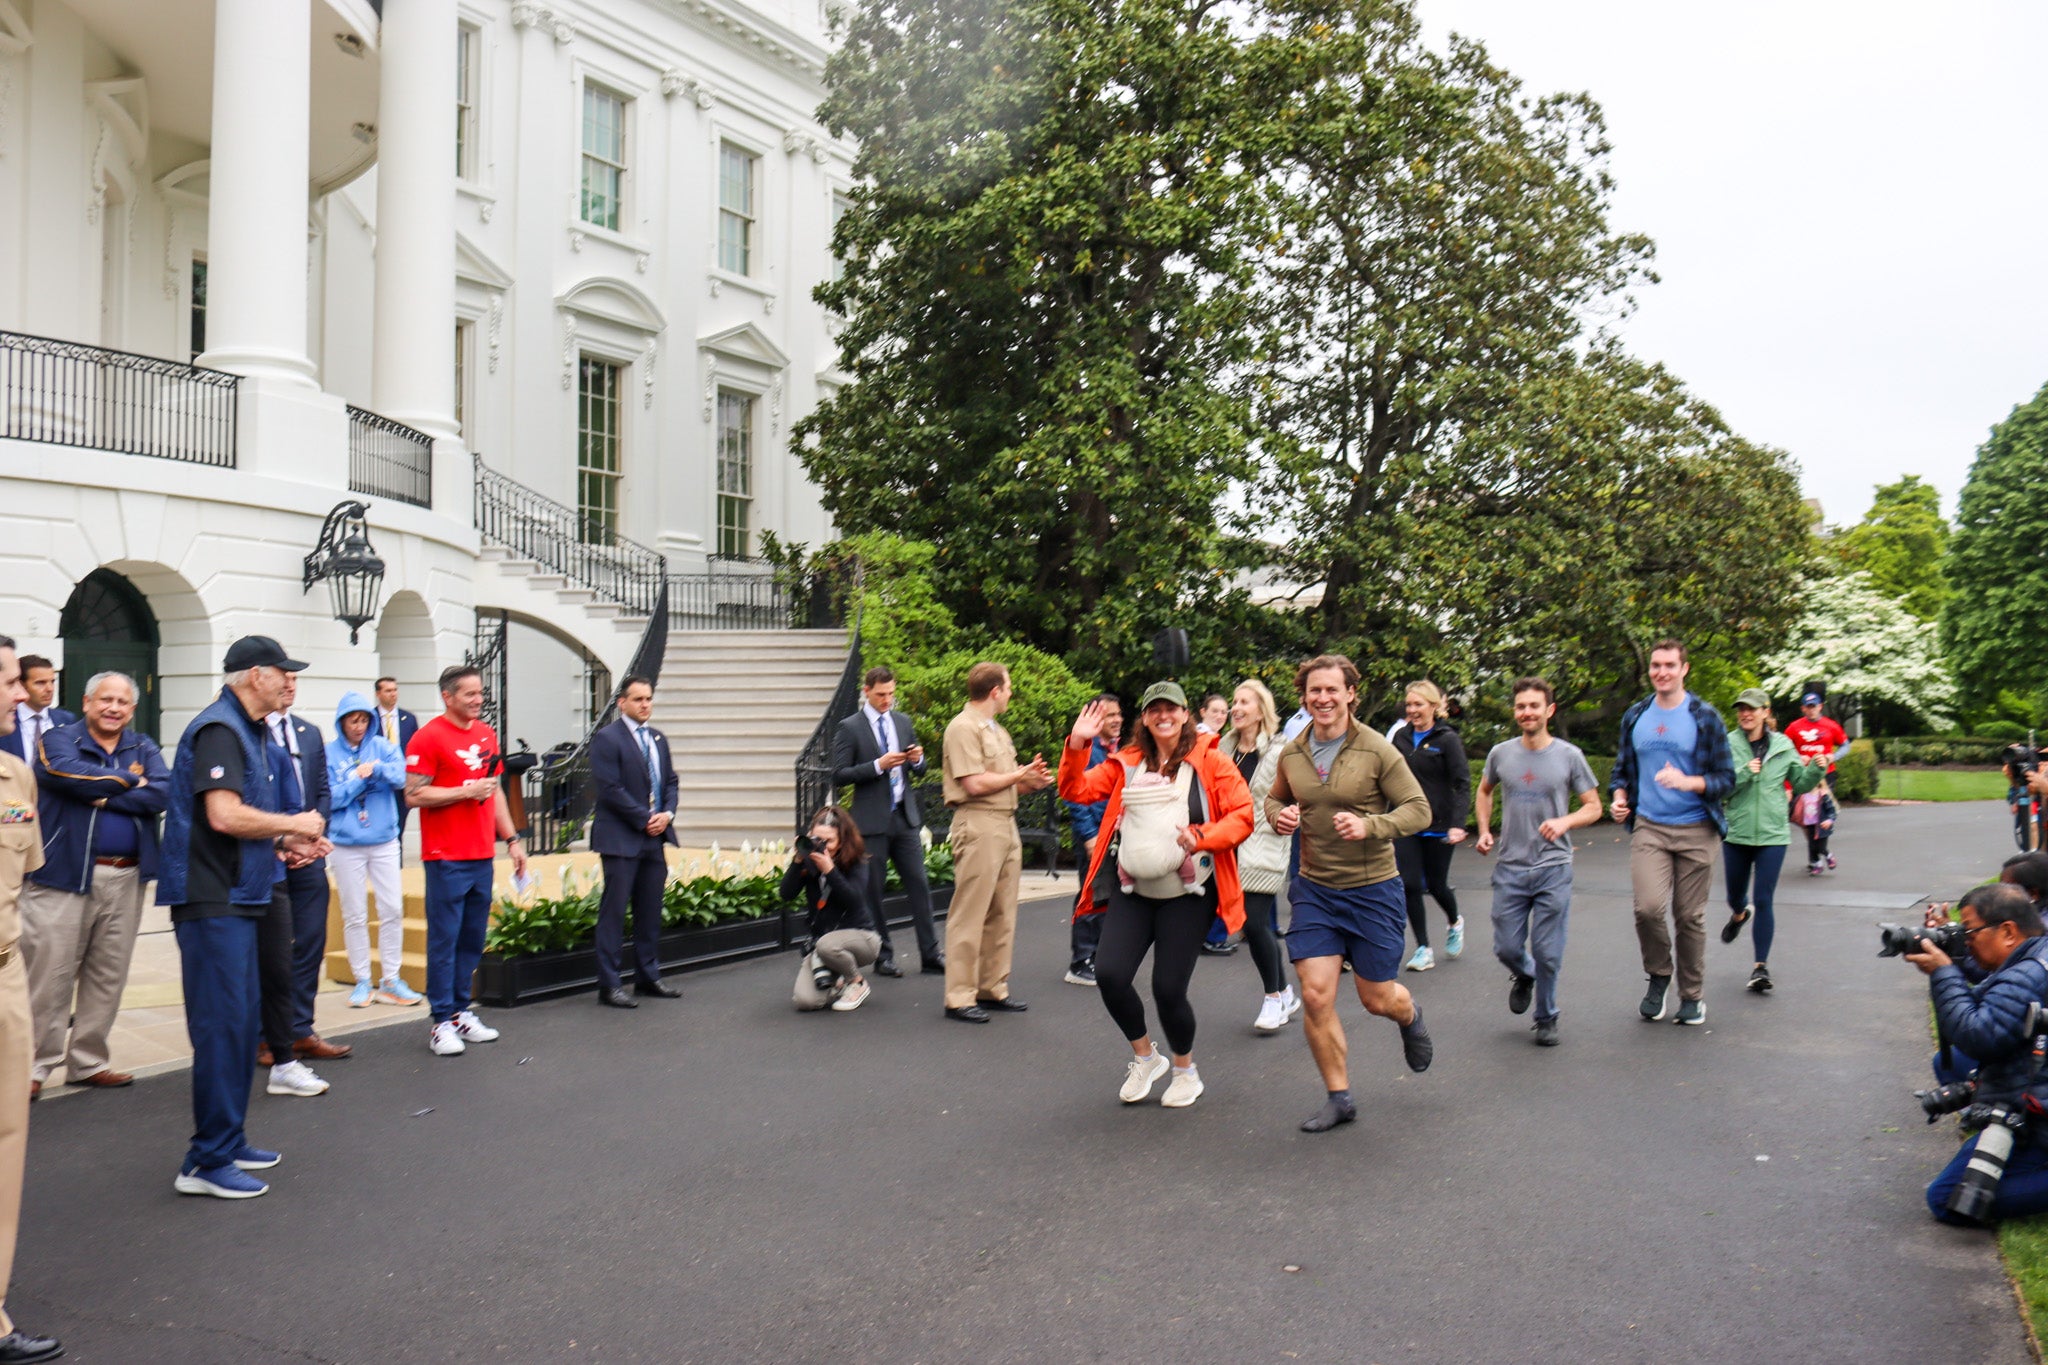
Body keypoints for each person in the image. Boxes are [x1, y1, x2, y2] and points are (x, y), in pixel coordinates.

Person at [157, 635, 329, 1199]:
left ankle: (226, 1141)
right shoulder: (220, 729)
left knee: (240, 1025)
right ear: (255, 675)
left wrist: (284, 839)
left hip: (243, 895)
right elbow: (225, 816)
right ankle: (205, 1161)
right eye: (284, 672)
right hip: (213, 901)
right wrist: (296, 824)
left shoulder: (248, 730)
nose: (290, 681)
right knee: (222, 1029)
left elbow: (239, 823)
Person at [1061, 683, 1253, 1108]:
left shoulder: (1213, 761)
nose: (1163, 715)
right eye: (1154, 710)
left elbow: (1243, 815)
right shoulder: (1126, 761)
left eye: (1171, 709)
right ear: (1144, 719)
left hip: (1188, 892)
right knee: (1109, 974)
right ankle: (1145, 1057)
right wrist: (1077, 744)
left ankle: (1186, 1069)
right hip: (1135, 888)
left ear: (1185, 714)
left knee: (1167, 988)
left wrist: (1202, 835)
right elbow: (1077, 790)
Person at [1266, 654, 1434, 1133]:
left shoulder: (1377, 749)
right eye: (1314, 691)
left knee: (1377, 999)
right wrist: (1276, 816)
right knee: (1316, 995)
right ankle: (1339, 1097)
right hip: (1316, 889)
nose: (1323, 699)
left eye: (1332, 690)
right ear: (1304, 696)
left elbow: (1419, 809)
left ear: (1350, 694)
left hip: (1372, 890)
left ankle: (1410, 1014)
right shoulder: (1293, 752)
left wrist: (1370, 825)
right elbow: (1276, 796)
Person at [20, 670, 167, 1095]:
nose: (113, 708)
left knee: (108, 974)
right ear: (86, 702)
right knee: (49, 974)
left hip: (128, 875)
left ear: (132, 709)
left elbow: (163, 792)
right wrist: (128, 780)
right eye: (105, 700)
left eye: (122, 702)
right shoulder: (58, 739)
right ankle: (32, 1065)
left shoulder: (143, 746)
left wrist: (100, 792)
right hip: (63, 874)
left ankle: (88, 1061)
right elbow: (62, 774)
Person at [1608, 639, 1735, 1027]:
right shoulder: (1636, 715)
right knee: (1647, 908)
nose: (1661, 671)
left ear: (1684, 669)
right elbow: (1621, 771)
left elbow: (1726, 779)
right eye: (1655, 665)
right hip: (1650, 826)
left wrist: (1688, 781)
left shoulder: (1705, 716)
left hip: (1698, 829)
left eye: (1669, 665)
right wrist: (1618, 798)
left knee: (1688, 916)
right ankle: (1659, 974)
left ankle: (1692, 996)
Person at [1904, 884, 2048, 1225]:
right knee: (1947, 1063)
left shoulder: (2030, 973)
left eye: (1970, 932)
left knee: (1947, 1200)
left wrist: (1942, 973)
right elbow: (1996, 987)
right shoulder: (2035, 956)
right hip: (2031, 1090)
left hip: (2037, 1116)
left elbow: (1977, 1036)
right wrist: (1951, 953)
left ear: (2008, 931)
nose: (1967, 939)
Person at [1472, 677, 1603, 1046]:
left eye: (1533, 706)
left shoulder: (1569, 755)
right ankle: (1524, 974)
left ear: (1549, 710)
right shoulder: (1501, 753)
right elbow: (1484, 791)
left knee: (1548, 951)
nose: (1526, 712)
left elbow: (1594, 806)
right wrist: (1484, 829)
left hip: (1553, 866)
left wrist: (1565, 820)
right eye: (1520, 706)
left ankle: (1546, 1016)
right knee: (1506, 948)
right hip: (1510, 866)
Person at [406, 664, 528, 1056]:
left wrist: (512, 838)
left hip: (480, 854)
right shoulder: (427, 738)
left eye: (480, 694)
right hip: (445, 857)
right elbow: (414, 795)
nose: (478, 700)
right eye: (470, 694)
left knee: (473, 938)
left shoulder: (486, 734)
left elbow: (492, 792)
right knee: (445, 939)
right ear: (448, 696)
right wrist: (463, 791)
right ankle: (440, 1021)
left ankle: (460, 1011)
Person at [0, 637, 66, 1361]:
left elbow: (24, 878)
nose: (22, 694)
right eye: (13, 680)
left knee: (6, 1140)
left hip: (5, 974)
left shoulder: (16, 774)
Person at [939, 662, 1052, 1023]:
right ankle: (959, 996)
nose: (1011, 693)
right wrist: (1018, 774)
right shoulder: (962, 728)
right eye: (1009, 687)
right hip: (978, 823)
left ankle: (991, 988)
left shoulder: (997, 731)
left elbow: (1003, 781)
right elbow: (972, 784)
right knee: (970, 913)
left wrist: (1029, 781)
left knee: (1002, 912)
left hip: (1005, 823)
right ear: (995, 691)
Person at [830, 666, 941, 978]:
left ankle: (931, 954)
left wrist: (917, 759)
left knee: (919, 884)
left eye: (891, 693)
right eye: (881, 694)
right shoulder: (849, 727)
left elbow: (919, 768)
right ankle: (883, 956)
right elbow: (839, 775)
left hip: (904, 818)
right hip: (870, 822)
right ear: (866, 691)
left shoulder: (902, 721)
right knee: (873, 893)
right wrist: (878, 765)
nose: (887, 700)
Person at [267, 674, 350, 1084]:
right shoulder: (250, 732)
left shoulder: (308, 731)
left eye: (294, 679)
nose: (289, 685)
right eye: (282, 678)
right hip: (268, 854)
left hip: (310, 857)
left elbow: (322, 790)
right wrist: (284, 841)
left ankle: (300, 1029)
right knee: (272, 951)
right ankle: (268, 1036)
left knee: (310, 944)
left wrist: (313, 838)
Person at [1717, 687, 1824, 994]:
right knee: (1736, 896)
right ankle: (1739, 914)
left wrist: (1816, 769)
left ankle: (1759, 967)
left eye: (1751, 709)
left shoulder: (1783, 744)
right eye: (1741, 709)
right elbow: (1719, 788)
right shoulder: (1727, 744)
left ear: (1766, 712)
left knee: (1764, 899)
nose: (1745, 714)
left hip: (1773, 835)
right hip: (1736, 833)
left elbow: (1801, 783)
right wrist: (1744, 773)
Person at [588, 675, 681, 1008]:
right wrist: (645, 818)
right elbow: (610, 789)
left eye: (649, 699)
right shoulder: (607, 739)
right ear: (621, 703)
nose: (645, 705)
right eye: (638, 699)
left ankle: (647, 976)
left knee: (649, 910)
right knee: (614, 912)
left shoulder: (657, 738)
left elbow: (670, 781)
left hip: (654, 838)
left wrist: (666, 814)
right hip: (621, 838)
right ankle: (610, 985)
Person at [325, 691, 421, 1009]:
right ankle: (362, 980)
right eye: (353, 720)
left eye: (364, 719)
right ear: (342, 722)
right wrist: (357, 782)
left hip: (383, 841)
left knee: (392, 909)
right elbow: (331, 798)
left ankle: (391, 979)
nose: (359, 725)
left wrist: (375, 770)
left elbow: (401, 777)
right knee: (354, 914)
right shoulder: (329, 753)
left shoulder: (383, 747)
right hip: (346, 844)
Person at [1217, 679, 1297, 1031]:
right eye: (1234, 701)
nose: (1236, 707)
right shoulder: (1223, 748)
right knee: (1259, 924)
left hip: (1265, 839)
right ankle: (1284, 991)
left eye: (1244, 702)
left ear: (1261, 711)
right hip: (1228, 844)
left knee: (1253, 921)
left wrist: (1294, 814)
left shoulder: (1282, 750)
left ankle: (1272, 998)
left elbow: (1299, 793)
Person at [1388, 679, 1470, 973]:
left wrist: (1458, 824)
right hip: (1407, 821)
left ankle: (1454, 920)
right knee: (1409, 883)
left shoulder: (1447, 739)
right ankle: (1423, 947)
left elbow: (1462, 783)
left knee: (1436, 884)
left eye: (1418, 704)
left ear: (1434, 706)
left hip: (1439, 823)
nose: (1412, 710)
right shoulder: (1399, 737)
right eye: (1409, 704)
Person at [784, 807, 880, 1011]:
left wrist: (830, 871)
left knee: (826, 944)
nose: (822, 846)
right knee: (806, 1001)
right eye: (817, 839)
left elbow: (854, 901)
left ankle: (856, 982)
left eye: (828, 841)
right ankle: (838, 982)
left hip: (862, 938)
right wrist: (798, 860)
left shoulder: (858, 861)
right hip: (822, 943)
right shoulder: (808, 861)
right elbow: (786, 894)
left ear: (843, 840)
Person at [1061, 692, 1122, 986]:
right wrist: (1088, 835)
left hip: (1112, 834)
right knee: (1090, 895)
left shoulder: (1117, 749)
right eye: (1110, 715)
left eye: (1118, 714)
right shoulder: (1089, 749)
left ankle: (1097, 956)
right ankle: (1080, 961)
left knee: (1106, 896)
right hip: (1094, 833)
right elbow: (1076, 796)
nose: (1117, 719)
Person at [1783, 692, 1849, 873]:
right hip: (1803, 777)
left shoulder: (1830, 725)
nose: (1811, 710)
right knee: (1808, 818)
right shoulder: (1794, 727)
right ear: (1803, 708)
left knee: (1821, 816)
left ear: (1820, 706)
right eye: (1808, 706)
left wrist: (1833, 756)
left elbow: (1845, 745)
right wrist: (1797, 757)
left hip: (1825, 777)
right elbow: (1783, 748)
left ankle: (1817, 858)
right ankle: (1820, 856)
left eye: (1814, 706)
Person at [373, 677, 420, 854]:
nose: (393, 694)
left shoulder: (409, 719)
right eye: (388, 690)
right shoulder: (371, 718)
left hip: (403, 781)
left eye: (395, 690)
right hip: (380, 780)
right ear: (378, 694)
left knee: (399, 824)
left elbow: (416, 749)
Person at [0, 656, 73, 765]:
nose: (49, 689)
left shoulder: (66, 720)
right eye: (40, 683)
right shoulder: (5, 720)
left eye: (52, 682)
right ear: (22, 684)